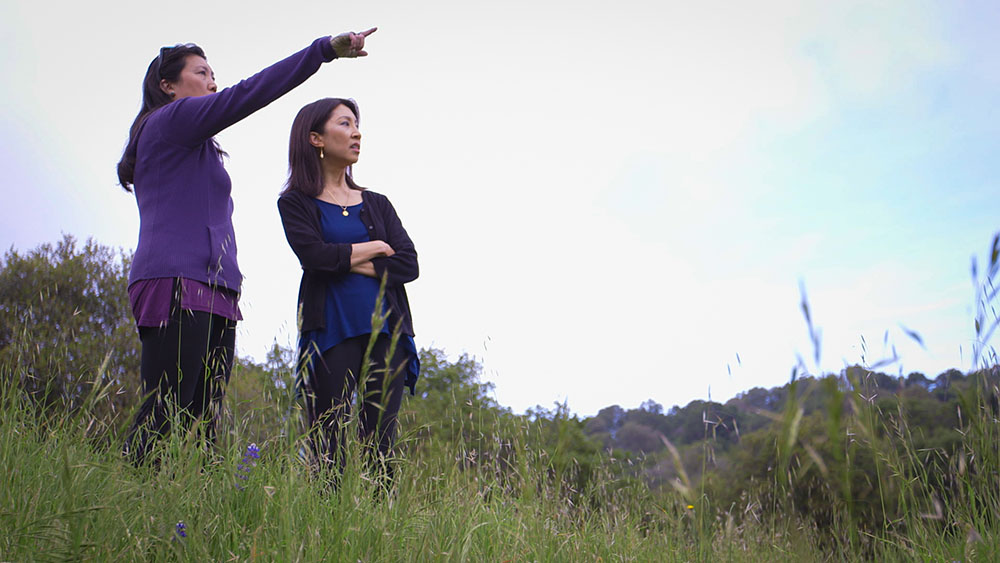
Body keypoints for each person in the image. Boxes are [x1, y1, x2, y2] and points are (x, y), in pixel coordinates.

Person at [117, 29, 377, 465]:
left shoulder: (196, 145)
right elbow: (249, 94)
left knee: (202, 422)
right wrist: (322, 51)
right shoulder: (171, 121)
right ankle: (127, 495)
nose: (213, 81)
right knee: (164, 411)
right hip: (175, 280)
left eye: (214, 73)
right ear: (168, 85)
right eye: (202, 73)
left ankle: (188, 518)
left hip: (215, 289)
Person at [277, 98, 419, 481]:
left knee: (380, 447)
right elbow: (314, 257)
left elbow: (408, 264)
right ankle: (327, 533)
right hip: (330, 333)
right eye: (345, 124)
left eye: (357, 125)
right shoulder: (295, 203)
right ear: (316, 138)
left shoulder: (377, 204)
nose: (357, 133)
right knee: (328, 447)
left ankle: (379, 535)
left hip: (386, 332)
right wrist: (374, 248)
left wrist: (343, 257)